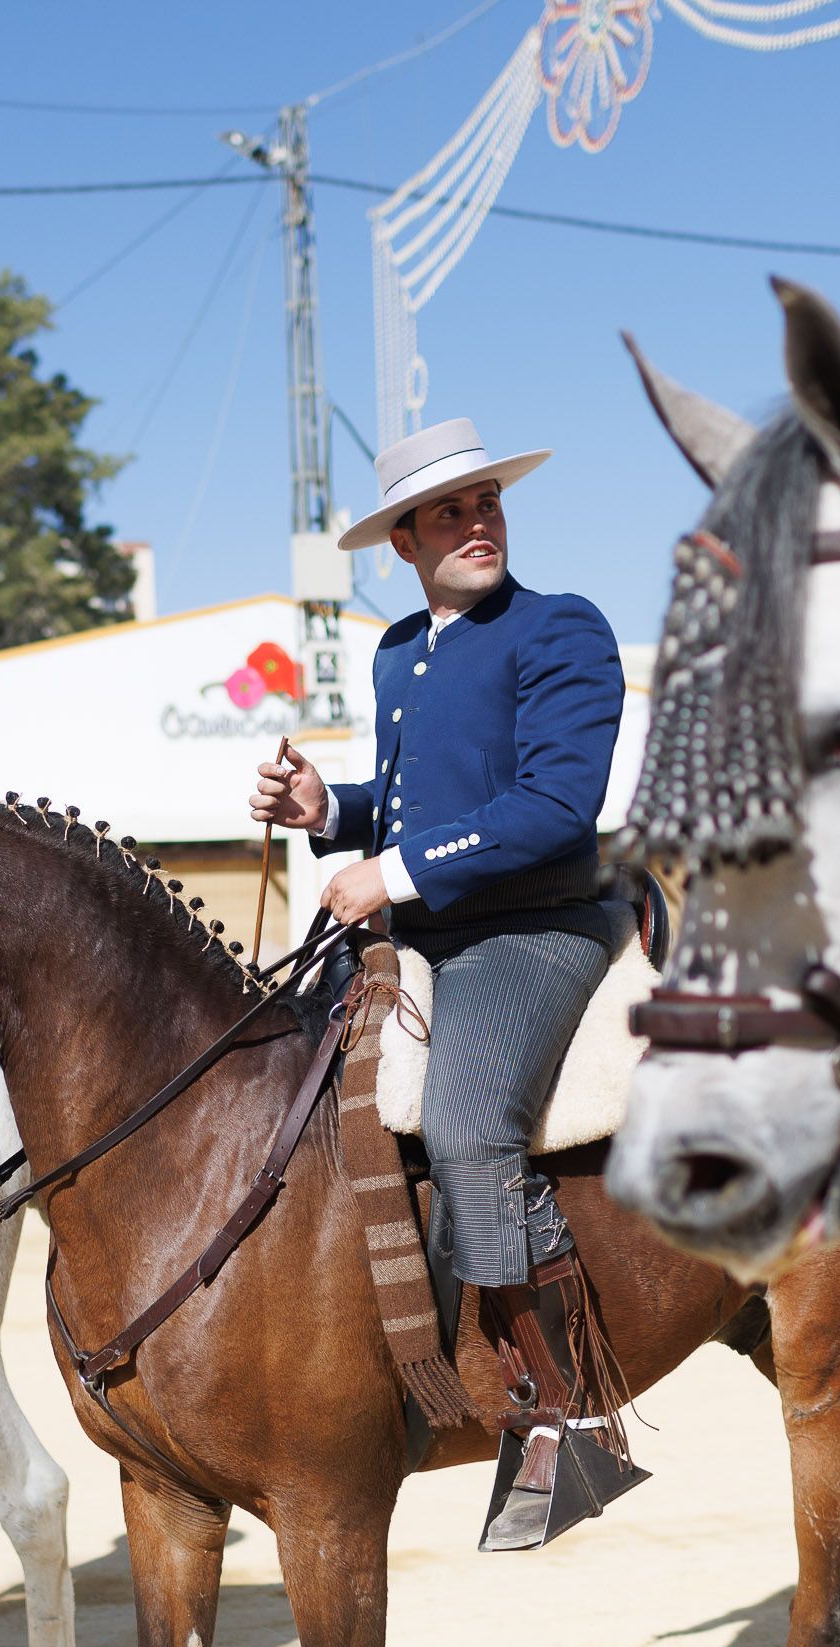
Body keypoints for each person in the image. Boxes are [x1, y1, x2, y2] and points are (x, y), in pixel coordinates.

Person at [248, 416, 641, 1551]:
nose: (478, 525)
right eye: (450, 513)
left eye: (487, 505)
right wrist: (335, 812)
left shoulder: (562, 629)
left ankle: (561, 1420)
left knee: (468, 1129)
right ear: (406, 542)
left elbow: (551, 807)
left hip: (533, 929)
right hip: (429, 927)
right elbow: (419, 797)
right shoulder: (396, 654)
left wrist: (394, 868)